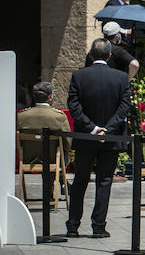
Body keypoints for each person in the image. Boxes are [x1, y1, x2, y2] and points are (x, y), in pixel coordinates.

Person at [66, 39, 131, 237]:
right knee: (104, 181)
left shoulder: (79, 75)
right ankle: (99, 226)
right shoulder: (121, 78)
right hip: (110, 138)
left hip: (86, 136)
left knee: (80, 180)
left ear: (91, 55)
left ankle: (73, 225)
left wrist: (93, 129)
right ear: (110, 56)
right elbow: (124, 107)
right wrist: (107, 129)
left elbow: (74, 106)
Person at [17, 81, 69, 164]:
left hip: (27, 159)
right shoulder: (59, 116)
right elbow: (68, 142)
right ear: (50, 97)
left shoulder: (21, 116)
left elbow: (15, 141)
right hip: (53, 160)